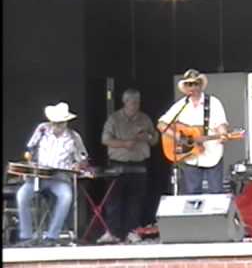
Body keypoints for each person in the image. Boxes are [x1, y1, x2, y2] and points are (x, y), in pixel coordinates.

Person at [16, 102, 89, 247]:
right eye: (54, 123)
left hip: (60, 178)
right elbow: (30, 149)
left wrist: (78, 165)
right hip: (38, 176)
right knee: (21, 195)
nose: (56, 126)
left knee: (66, 196)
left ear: (66, 122)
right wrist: (30, 160)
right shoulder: (42, 129)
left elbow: (83, 158)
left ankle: (52, 236)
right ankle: (26, 236)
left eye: (60, 123)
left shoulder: (74, 137)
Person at [96, 88, 159, 244]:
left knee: (135, 201)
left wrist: (148, 137)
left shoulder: (145, 119)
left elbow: (155, 140)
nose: (135, 105)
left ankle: (132, 231)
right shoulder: (114, 118)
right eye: (132, 102)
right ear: (125, 102)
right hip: (117, 165)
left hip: (139, 165)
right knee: (114, 201)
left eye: (137, 102)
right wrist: (124, 144)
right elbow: (105, 139)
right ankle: (112, 232)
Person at [157, 68, 229, 195]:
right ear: (185, 87)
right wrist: (179, 137)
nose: (193, 87)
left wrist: (223, 134)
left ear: (201, 85)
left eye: (196, 83)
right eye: (189, 84)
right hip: (190, 155)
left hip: (212, 154)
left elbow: (221, 125)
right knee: (191, 195)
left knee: (216, 194)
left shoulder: (213, 103)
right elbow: (162, 124)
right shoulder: (181, 105)